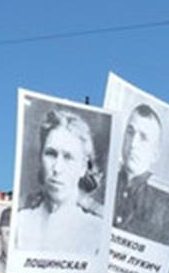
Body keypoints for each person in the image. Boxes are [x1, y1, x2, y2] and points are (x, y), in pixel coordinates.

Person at [16, 108, 106, 254]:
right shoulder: (20, 223)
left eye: (68, 157)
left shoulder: (97, 232)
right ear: (40, 157)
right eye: (51, 154)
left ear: (83, 167)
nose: (57, 168)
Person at [112, 104, 169, 246]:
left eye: (143, 137)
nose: (133, 144)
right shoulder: (104, 183)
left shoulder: (166, 199)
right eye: (130, 132)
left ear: (155, 154)